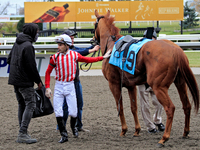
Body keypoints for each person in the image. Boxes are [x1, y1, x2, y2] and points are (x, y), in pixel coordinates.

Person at [45, 34, 111, 143]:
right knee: (58, 111)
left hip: (70, 85)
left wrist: (103, 57)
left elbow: (88, 60)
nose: (58, 47)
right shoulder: (54, 57)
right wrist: (47, 87)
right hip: (59, 86)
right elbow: (48, 72)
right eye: (58, 45)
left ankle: (74, 127)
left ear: (67, 45)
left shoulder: (74, 55)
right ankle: (64, 135)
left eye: (60, 45)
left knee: (74, 112)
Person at [57, 29, 99, 132]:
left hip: (76, 81)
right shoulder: (65, 51)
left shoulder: (72, 48)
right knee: (66, 106)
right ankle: (61, 127)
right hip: (67, 82)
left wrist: (94, 46)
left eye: (73, 38)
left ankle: (78, 126)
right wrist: (92, 50)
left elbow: (81, 50)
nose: (72, 39)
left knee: (79, 104)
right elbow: (78, 52)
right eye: (70, 38)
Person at [7, 23, 43, 144]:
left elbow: (8, 59)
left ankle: (22, 131)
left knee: (21, 104)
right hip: (24, 81)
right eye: (37, 32)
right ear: (32, 32)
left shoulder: (17, 42)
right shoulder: (28, 46)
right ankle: (22, 133)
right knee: (31, 104)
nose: (37, 34)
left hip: (14, 80)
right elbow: (32, 67)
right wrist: (39, 81)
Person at [137, 30, 165, 133]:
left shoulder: (158, 51)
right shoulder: (139, 50)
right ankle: (150, 126)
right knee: (145, 105)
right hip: (142, 81)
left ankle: (157, 120)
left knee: (159, 102)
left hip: (155, 81)